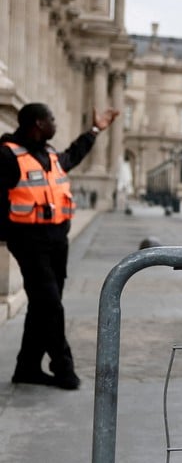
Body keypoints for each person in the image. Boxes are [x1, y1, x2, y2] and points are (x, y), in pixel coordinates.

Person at [2, 103, 118, 391]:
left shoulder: (49, 153)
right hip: (29, 242)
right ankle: (63, 368)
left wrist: (95, 130)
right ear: (39, 124)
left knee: (42, 307)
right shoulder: (6, 154)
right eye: (52, 118)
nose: (55, 123)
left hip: (57, 242)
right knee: (50, 305)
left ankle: (27, 367)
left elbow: (73, 155)